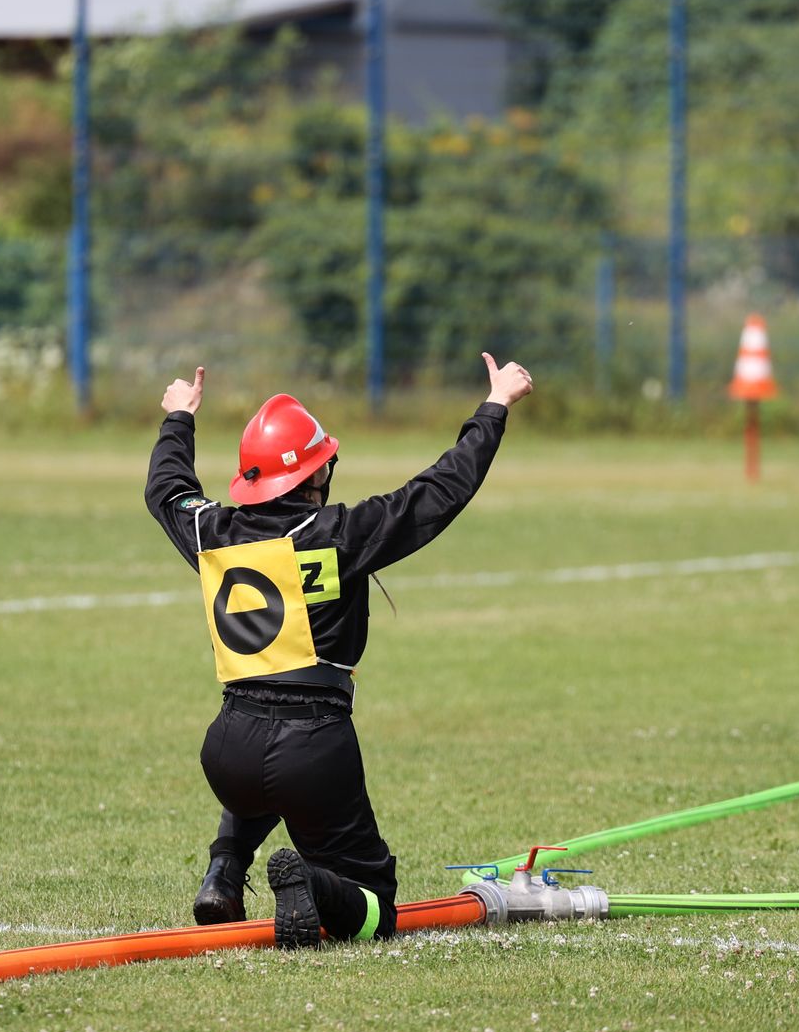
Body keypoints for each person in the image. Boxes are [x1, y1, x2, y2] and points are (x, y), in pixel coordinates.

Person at [144, 353, 534, 947]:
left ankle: (224, 869)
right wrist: (495, 405)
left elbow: (167, 489)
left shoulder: (210, 531)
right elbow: (436, 493)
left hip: (228, 749)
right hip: (312, 750)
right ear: (313, 477)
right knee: (376, 902)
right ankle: (311, 881)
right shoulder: (338, 534)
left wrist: (179, 416)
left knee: (261, 778)